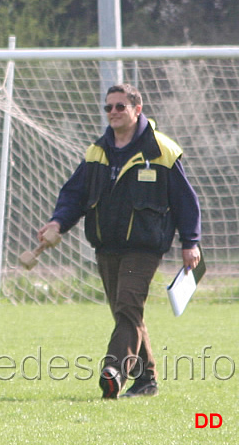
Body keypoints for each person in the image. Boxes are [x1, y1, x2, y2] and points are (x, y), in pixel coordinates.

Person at [37, 83, 200, 399]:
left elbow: (186, 200)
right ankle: (146, 380)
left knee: (127, 304)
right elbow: (75, 195)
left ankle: (113, 372)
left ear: (137, 109)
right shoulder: (96, 152)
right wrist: (57, 222)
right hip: (106, 244)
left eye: (119, 106)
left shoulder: (163, 150)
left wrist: (190, 241)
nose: (112, 112)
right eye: (108, 107)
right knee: (127, 313)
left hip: (145, 246)